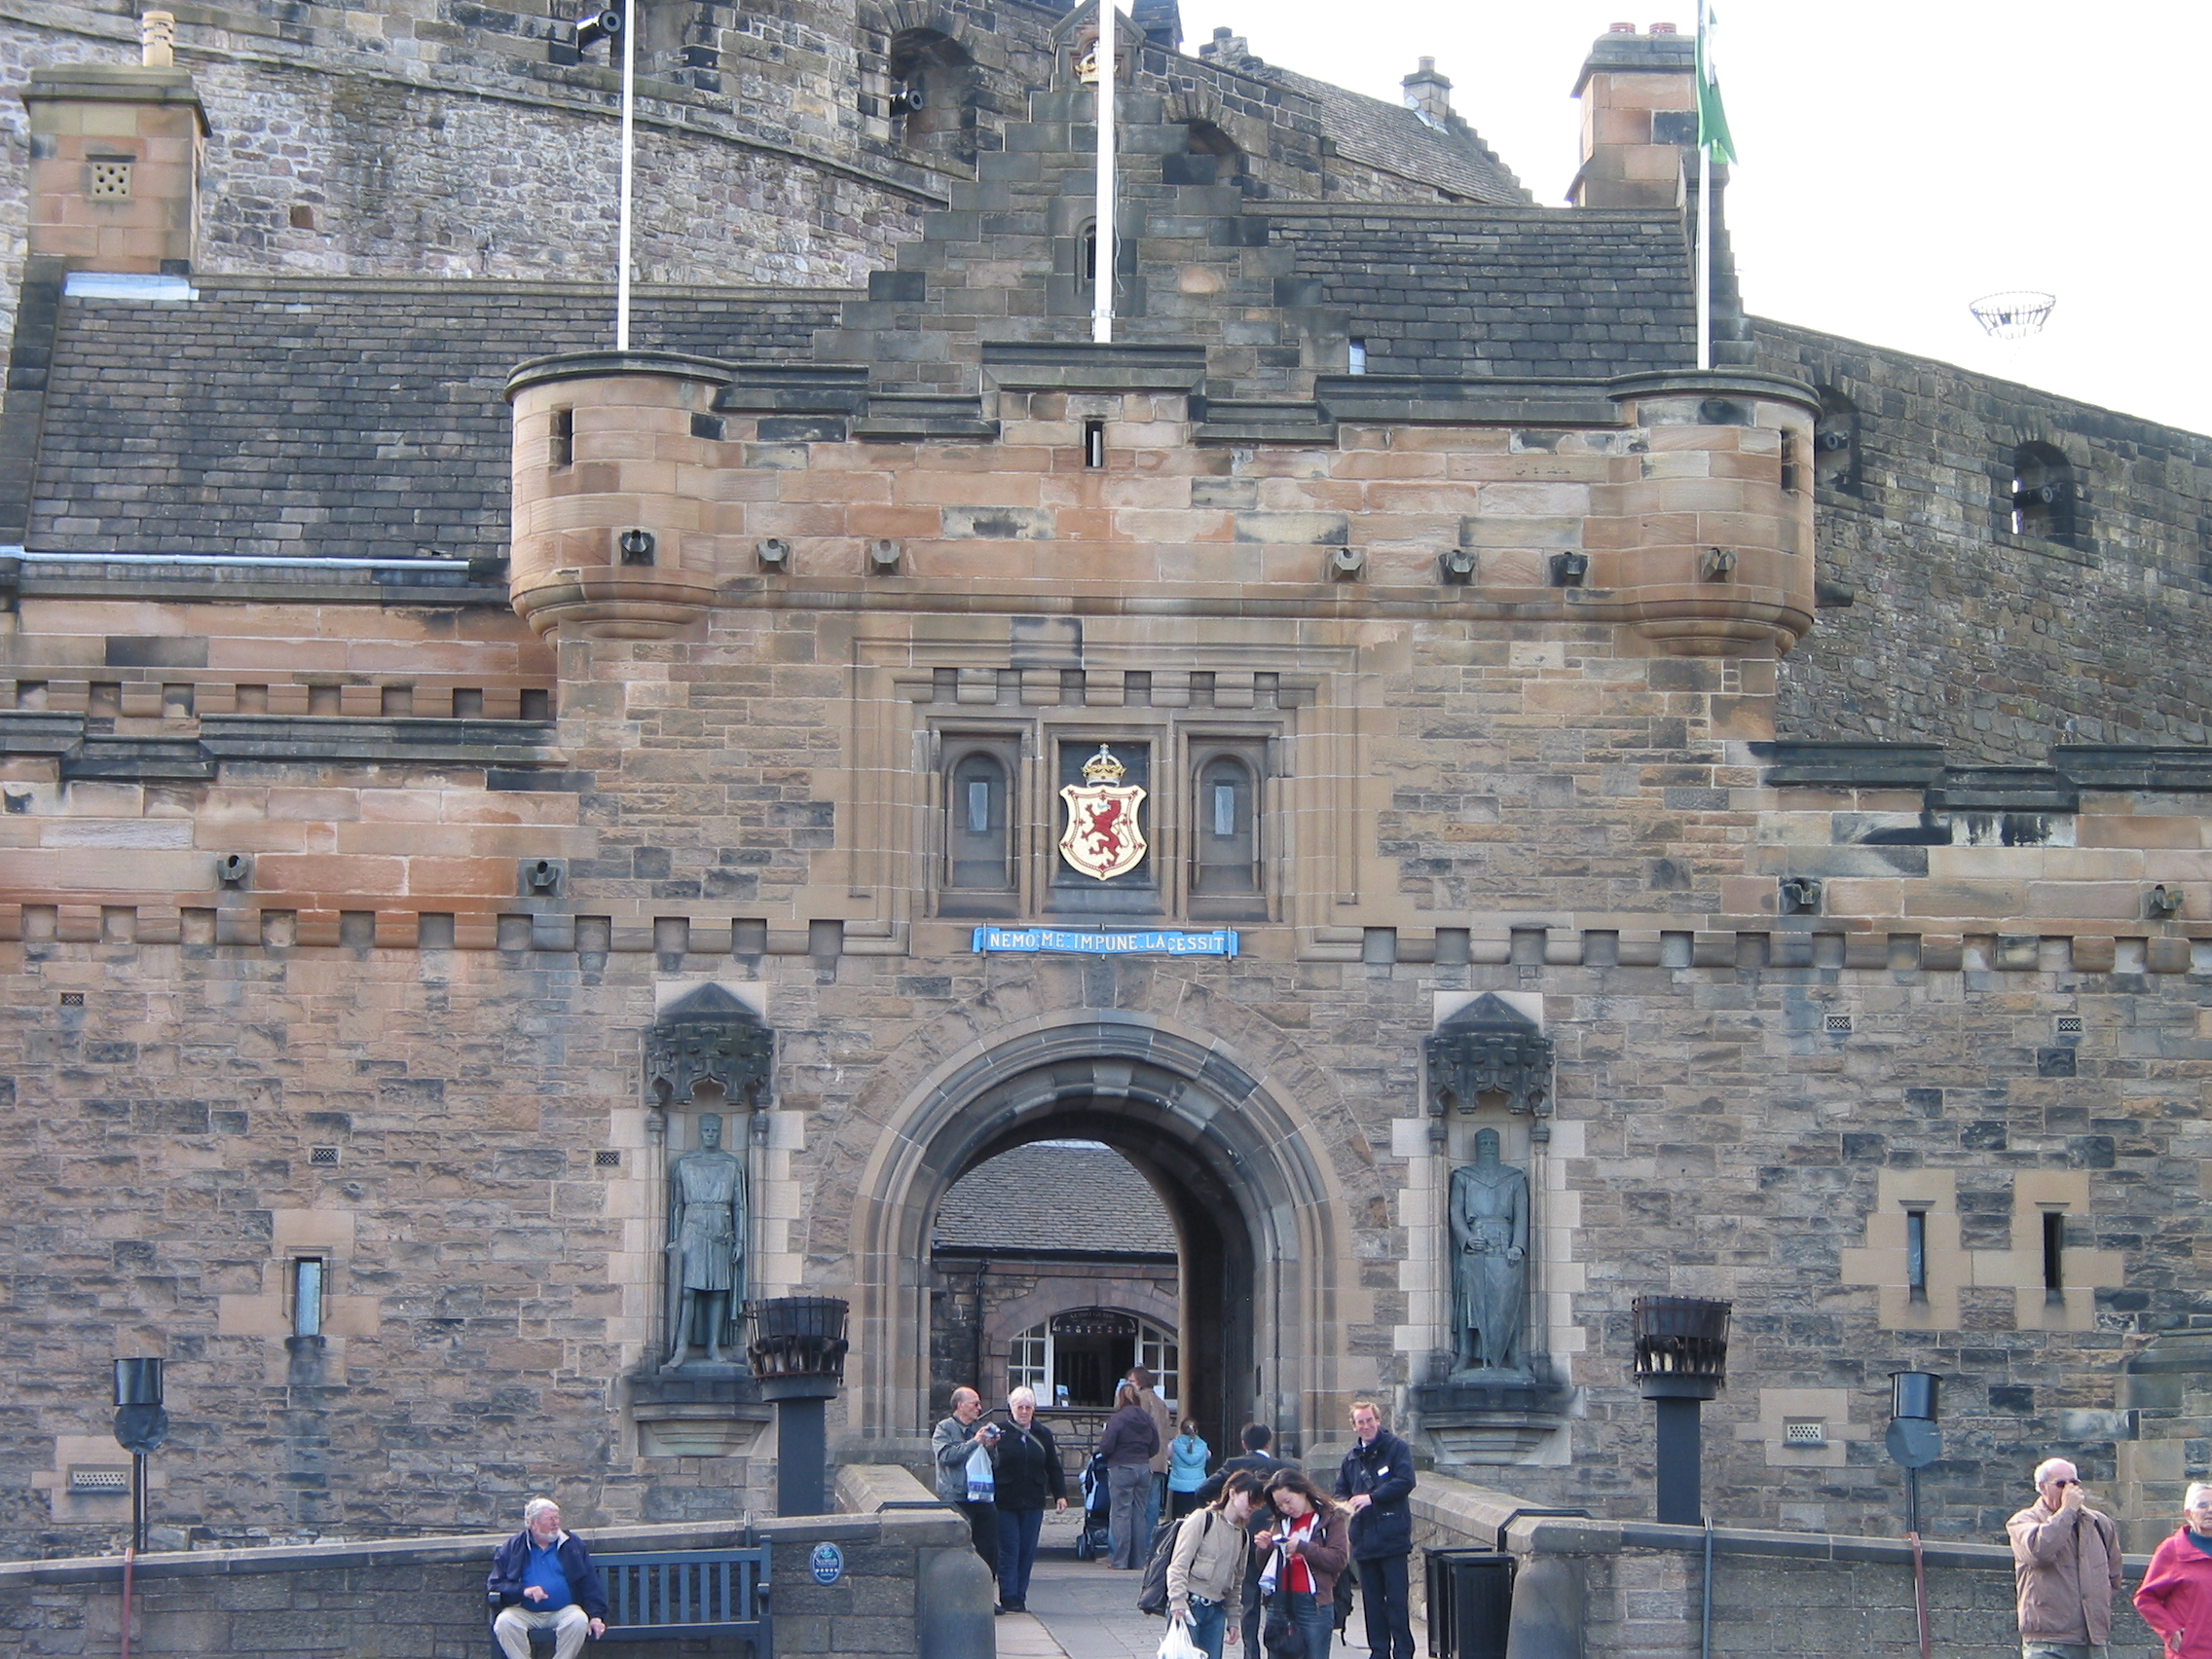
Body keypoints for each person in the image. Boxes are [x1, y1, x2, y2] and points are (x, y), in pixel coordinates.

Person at [1194, 1424, 1298, 1656]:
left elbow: (1201, 1491)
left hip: (1244, 1538)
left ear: (1244, 1444)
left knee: (1248, 1602)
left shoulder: (1233, 1466)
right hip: (1274, 1539)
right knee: (1276, 1601)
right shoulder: (1281, 1468)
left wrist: (1219, 1520)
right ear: (1268, 1443)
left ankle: (1251, 1653)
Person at [2009, 1456, 2122, 1659]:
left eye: (2074, 1483)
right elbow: (2039, 1552)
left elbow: (2113, 1576)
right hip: (2048, 1642)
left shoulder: (2099, 1523)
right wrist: (2067, 1511)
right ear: (2043, 1487)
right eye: (2061, 1484)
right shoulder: (2024, 1521)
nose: (2070, 1490)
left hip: (2091, 1641)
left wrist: (2094, 1606)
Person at [1336, 1400, 1417, 1659]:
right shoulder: (1350, 1460)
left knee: (1396, 1600)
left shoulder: (1396, 1448)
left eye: (1369, 1420)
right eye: (1360, 1422)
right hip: (1364, 1540)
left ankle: (1403, 1650)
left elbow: (1405, 1481)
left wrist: (1372, 1497)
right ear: (1354, 1426)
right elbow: (1340, 1492)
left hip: (1392, 1537)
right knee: (1372, 1602)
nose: (1366, 1425)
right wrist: (1346, 1505)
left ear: (1378, 1421)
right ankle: (1379, 1651)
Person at [487, 1497, 608, 1659]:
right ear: (533, 1523)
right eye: (550, 1519)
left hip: (564, 1610)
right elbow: (495, 1584)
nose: (556, 1523)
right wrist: (525, 1590)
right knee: (504, 1623)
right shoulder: (513, 1546)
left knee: (579, 1620)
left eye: (557, 1518)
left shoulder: (572, 1544)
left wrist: (595, 1616)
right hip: (524, 1610)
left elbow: (589, 1583)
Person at [1168, 1470, 1266, 1659]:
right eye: (1250, 1499)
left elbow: (1237, 1582)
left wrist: (1234, 1619)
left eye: (1258, 1502)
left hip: (1216, 1610)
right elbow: (1179, 1563)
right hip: (1190, 1604)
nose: (1253, 1506)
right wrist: (1177, 1599)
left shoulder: (1243, 1535)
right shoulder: (1202, 1519)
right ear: (1232, 1493)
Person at [1257, 1468, 1351, 1659]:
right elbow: (1265, 1566)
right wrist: (1264, 1547)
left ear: (1301, 1491)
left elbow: (1338, 1560)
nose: (1285, 1508)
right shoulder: (1282, 1522)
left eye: (1288, 1501)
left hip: (1314, 1603)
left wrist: (1303, 1547)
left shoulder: (1330, 1519)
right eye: (1279, 1505)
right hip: (1280, 1600)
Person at [992, 1384, 1067, 1614]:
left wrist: (1060, 1495)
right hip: (1005, 1499)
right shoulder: (999, 1432)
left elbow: (1053, 1467)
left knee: (1027, 1550)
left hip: (1033, 1500)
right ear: (1011, 1408)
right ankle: (1009, 1596)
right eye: (1019, 1407)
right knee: (1009, 1549)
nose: (1024, 1411)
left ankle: (1020, 1596)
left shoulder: (1043, 1434)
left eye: (1028, 1407)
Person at [933, 1386, 1002, 1579]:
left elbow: (994, 1464)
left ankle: (986, 1593)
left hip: (981, 1496)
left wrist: (990, 1447)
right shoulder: (944, 1428)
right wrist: (975, 1442)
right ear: (960, 1405)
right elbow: (946, 1457)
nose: (980, 1408)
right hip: (956, 1497)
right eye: (975, 1404)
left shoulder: (977, 1427)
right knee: (959, 1547)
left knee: (989, 1547)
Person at [2136, 1482, 2212, 1658]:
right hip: (2190, 1653)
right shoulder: (2173, 1550)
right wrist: (2171, 1631)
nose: (2210, 1510)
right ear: (2188, 1513)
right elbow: (2145, 1598)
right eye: (2202, 1505)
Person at [1099, 1380, 1161, 1568]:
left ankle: (1120, 1560)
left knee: (1121, 1514)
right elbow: (1155, 1446)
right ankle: (1138, 1560)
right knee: (1139, 1515)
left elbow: (1106, 1446)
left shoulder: (1118, 1418)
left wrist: (1108, 1455)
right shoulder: (1146, 1418)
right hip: (1143, 1468)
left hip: (1121, 1468)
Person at [1130, 1365, 1174, 1539]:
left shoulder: (1140, 1400)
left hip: (1143, 1459)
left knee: (1137, 1506)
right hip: (1159, 1460)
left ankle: (1137, 1546)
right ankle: (1149, 1544)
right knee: (1153, 1506)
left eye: (1131, 1381)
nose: (1128, 1385)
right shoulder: (1160, 1403)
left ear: (1140, 1382)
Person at [1169, 1419, 1212, 1520]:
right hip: (1198, 1486)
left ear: (1181, 1430)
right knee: (1196, 1520)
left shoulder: (1174, 1445)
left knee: (1178, 1519)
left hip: (1179, 1487)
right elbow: (1208, 1456)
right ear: (1196, 1430)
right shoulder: (1203, 1445)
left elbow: (1167, 1455)